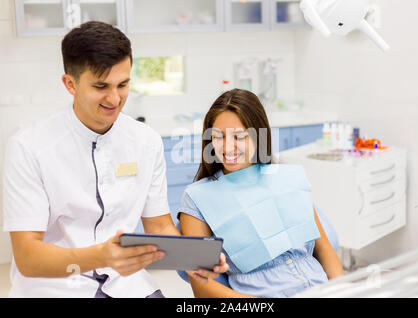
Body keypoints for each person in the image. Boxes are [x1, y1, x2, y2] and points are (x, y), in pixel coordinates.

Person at [2, 21, 228, 298]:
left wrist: (195, 260)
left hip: (125, 283)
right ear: (70, 83)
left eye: (123, 84)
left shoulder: (145, 141)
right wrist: (101, 256)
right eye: (101, 86)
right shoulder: (29, 147)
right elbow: (28, 257)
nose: (114, 98)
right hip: (55, 286)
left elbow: (158, 226)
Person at [178, 89, 344, 298]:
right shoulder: (197, 198)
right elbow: (202, 288)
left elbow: (325, 250)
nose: (228, 147)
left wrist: (340, 291)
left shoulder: (286, 177)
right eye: (218, 137)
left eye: (239, 137)